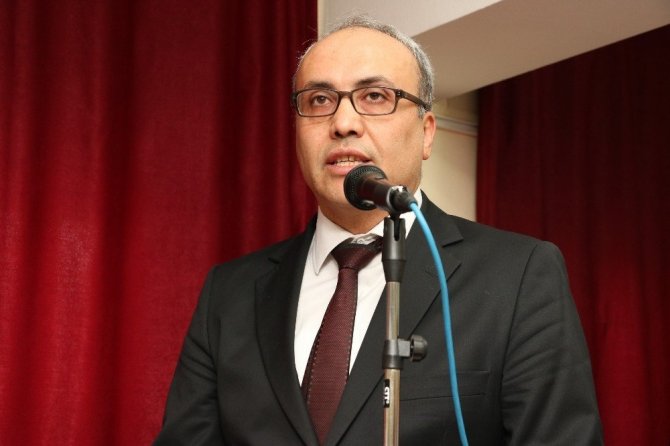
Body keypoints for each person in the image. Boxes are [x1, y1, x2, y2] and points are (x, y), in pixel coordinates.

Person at [154, 16, 603, 445]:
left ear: (427, 132)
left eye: (374, 96)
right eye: (319, 100)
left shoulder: (519, 276)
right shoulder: (230, 292)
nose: (343, 123)